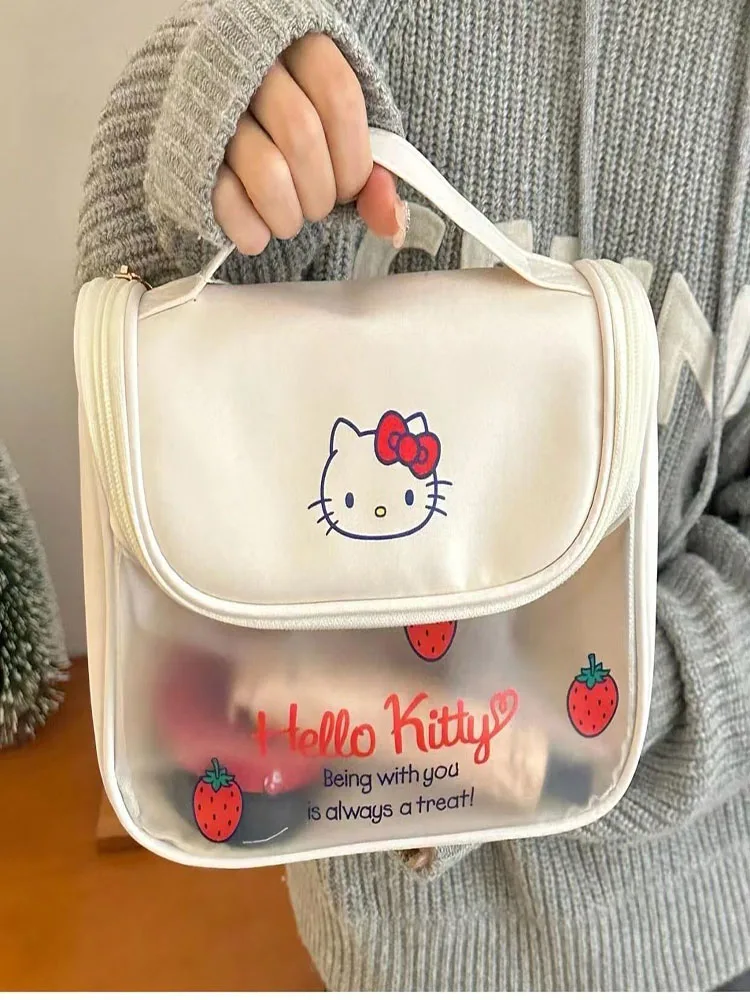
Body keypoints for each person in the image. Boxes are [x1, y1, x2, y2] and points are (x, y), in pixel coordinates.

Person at [77, 0, 750, 990]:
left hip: (700, 915)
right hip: (397, 946)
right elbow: (138, 361)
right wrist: (205, 116)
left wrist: (582, 708)